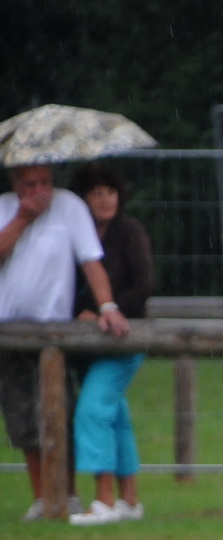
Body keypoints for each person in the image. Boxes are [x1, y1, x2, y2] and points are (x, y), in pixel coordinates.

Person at [1, 163, 131, 520]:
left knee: (59, 413)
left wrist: (107, 306)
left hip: (54, 332)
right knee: (21, 418)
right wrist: (23, 218)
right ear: (16, 184)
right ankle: (41, 496)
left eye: (44, 182)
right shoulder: (4, 208)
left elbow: (91, 262)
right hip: (9, 331)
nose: (39, 190)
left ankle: (67, 494)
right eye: (30, 184)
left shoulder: (70, 207)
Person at [65, 163, 152, 526]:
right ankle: (129, 500)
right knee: (115, 415)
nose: (105, 200)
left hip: (123, 338)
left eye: (111, 192)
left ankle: (103, 500)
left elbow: (143, 285)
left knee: (92, 411)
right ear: (83, 199)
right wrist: (80, 312)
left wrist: (109, 312)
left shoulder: (129, 231)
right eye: (96, 193)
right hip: (83, 343)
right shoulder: (73, 233)